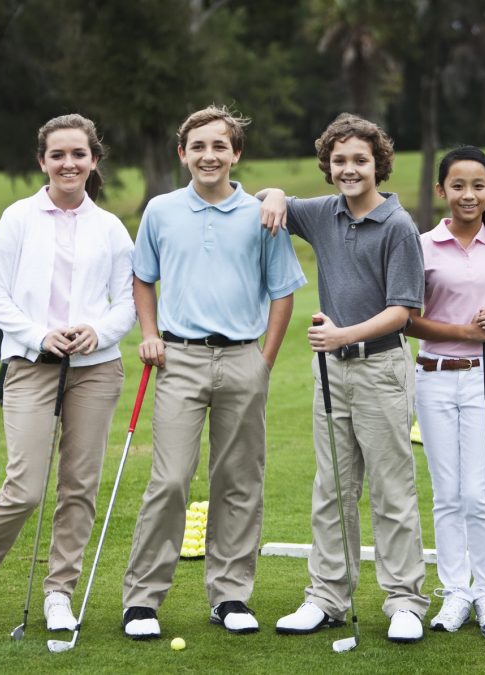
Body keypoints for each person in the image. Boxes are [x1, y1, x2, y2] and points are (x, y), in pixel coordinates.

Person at [120, 106, 305, 640]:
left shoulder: (262, 214)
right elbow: (142, 278)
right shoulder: (160, 210)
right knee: (171, 478)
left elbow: (283, 293)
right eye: (198, 146)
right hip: (178, 359)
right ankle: (142, 600)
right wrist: (149, 333)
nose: (209, 155)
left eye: (219, 146)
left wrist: (263, 361)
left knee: (239, 481)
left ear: (236, 154)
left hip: (244, 358)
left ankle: (229, 594)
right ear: (183, 154)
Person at [0, 113, 136, 632]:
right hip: (32, 364)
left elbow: (127, 300)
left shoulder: (110, 227)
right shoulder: (18, 218)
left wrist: (96, 333)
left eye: (78, 154)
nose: (68, 163)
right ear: (42, 161)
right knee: (26, 487)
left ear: (93, 161)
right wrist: (40, 335)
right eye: (58, 154)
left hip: (95, 368)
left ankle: (60, 592)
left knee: (79, 486)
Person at [259, 113, 429, 644]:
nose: (350, 169)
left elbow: (403, 310)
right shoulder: (322, 213)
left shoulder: (398, 227)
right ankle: (327, 597)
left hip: (380, 366)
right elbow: (271, 200)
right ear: (327, 167)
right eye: (339, 161)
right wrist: (275, 192)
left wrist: (345, 335)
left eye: (360, 160)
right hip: (332, 371)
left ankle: (405, 600)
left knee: (390, 489)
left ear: (379, 163)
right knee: (332, 488)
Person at [404, 146, 485, 636]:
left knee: (478, 492)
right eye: (458, 185)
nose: (468, 194)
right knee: (447, 493)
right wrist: (461, 331)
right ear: (441, 191)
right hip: (432, 376)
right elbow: (407, 318)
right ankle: (455, 593)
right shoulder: (422, 244)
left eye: (478, 185)